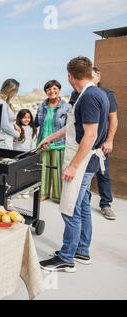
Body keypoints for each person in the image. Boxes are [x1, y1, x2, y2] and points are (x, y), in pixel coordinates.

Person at [39, 57, 109, 272]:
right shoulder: (94, 93)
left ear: (70, 76)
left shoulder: (88, 97)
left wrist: (72, 166)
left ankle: (67, 258)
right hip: (88, 162)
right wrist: (50, 137)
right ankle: (81, 250)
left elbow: (90, 135)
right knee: (83, 207)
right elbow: (74, 127)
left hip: (81, 163)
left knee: (69, 209)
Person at [70, 68, 118, 220]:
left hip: (98, 145)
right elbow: (74, 119)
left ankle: (105, 204)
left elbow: (113, 119)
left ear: (98, 77)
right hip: (81, 146)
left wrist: (109, 140)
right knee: (83, 187)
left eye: (93, 75)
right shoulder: (77, 94)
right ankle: (85, 201)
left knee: (102, 174)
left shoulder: (106, 94)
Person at [34, 80, 71, 202]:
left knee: (57, 170)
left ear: (59, 90)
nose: (52, 91)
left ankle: (57, 196)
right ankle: (43, 193)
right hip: (43, 143)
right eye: (49, 89)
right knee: (43, 169)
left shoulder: (67, 107)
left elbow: (69, 127)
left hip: (59, 143)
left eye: (55, 88)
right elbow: (35, 123)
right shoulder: (41, 106)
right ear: (46, 92)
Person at [14, 109, 37, 199]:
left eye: (28, 117)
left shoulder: (33, 129)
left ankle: (25, 191)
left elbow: (33, 142)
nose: (26, 119)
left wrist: (33, 152)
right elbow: (14, 140)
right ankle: (18, 190)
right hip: (17, 153)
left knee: (26, 172)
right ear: (19, 118)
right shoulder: (17, 128)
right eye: (24, 117)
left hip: (27, 153)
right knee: (18, 173)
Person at [0, 79, 22, 150]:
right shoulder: (0, 102)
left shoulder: (4, 102)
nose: (16, 94)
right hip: (4, 142)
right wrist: (17, 134)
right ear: (10, 90)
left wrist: (14, 124)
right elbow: (4, 126)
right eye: (16, 91)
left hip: (7, 140)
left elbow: (5, 119)